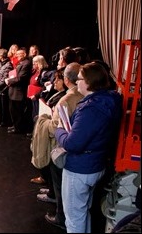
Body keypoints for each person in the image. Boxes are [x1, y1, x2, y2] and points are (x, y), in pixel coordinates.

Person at [54, 62, 122, 233]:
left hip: (80, 169)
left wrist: (59, 130)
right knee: (82, 212)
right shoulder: (109, 100)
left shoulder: (91, 109)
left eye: (80, 79)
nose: (77, 82)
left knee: (74, 218)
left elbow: (72, 144)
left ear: (90, 82)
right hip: (96, 164)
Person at [30, 62, 84, 230]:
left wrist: (44, 120)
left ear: (67, 80)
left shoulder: (67, 99)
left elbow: (55, 128)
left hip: (60, 148)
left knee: (60, 183)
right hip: (76, 151)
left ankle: (60, 216)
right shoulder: (83, 95)